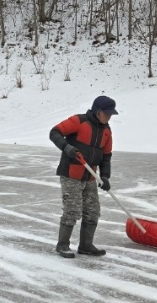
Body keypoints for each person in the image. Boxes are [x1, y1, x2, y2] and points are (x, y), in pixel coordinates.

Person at [49, 95, 116, 258]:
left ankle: (86, 245)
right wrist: (67, 147)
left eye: (110, 114)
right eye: (106, 113)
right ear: (97, 111)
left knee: (93, 211)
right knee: (72, 210)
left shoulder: (106, 131)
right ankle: (63, 245)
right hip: (71, 173)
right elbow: (55, 132)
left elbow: (106, 156)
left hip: (90, 176)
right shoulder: (79, 121)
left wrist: (105, 177)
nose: (109, 117)